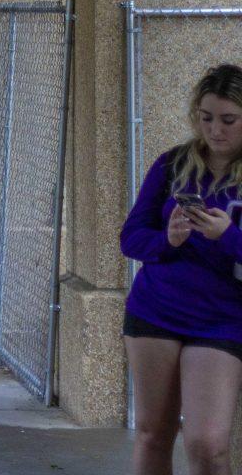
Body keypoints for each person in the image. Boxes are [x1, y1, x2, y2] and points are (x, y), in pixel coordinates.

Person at [121, 64, 242, 475]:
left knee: (208, 445)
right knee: (153, 433)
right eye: (206, 118)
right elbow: (131, 237)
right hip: (156, 309)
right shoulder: (173, 164)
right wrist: (167, 240)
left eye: (229, 120)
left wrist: (229, 237)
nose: (215, 131)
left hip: (222, 318)